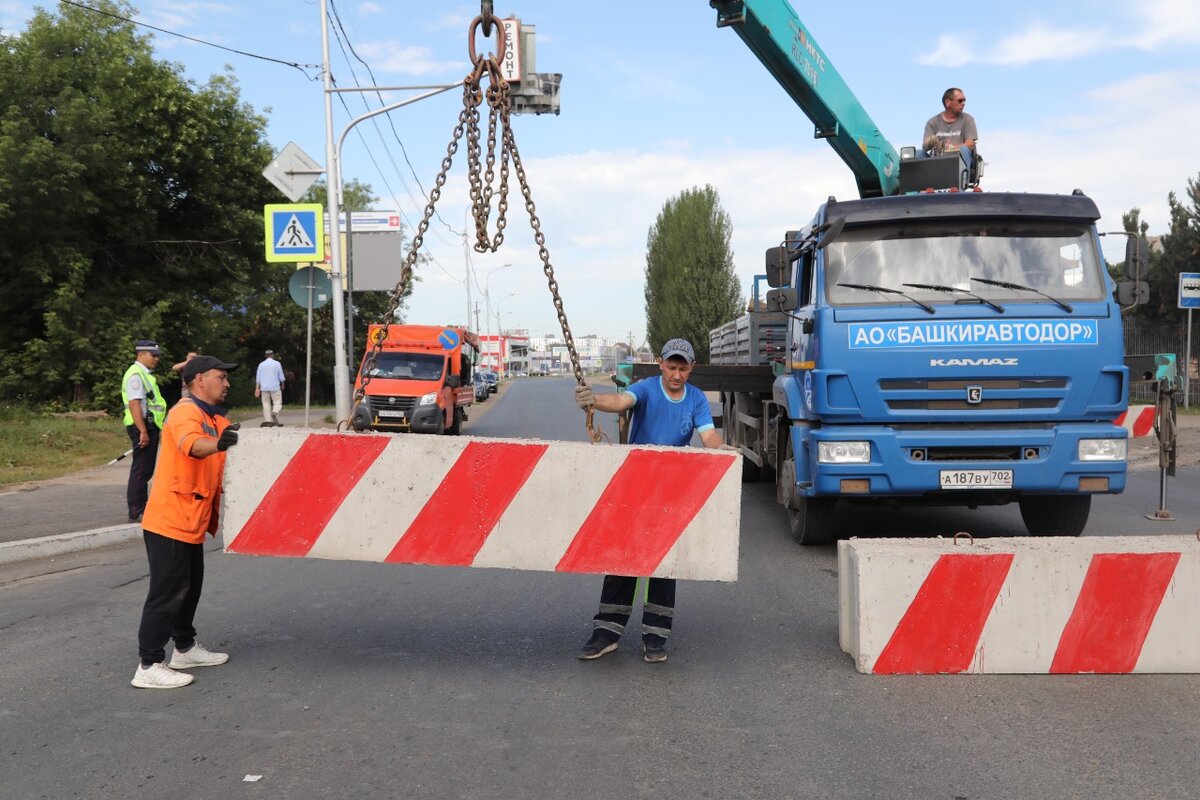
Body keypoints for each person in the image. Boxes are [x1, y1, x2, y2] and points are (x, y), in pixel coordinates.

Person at [571, 338, 724, 664]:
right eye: (672, 367)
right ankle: (606, 633)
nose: (677, 374)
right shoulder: (646, 389)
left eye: (683, 368)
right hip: (636, 487)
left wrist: (723, 453)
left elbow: (709, 436)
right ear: (661, 364)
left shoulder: (696, 399)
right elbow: (620, 400)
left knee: (664, 563)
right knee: (623, 557)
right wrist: (595, 401)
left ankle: (656, 636)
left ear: (691, 368)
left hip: (671, 491)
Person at [131, 354, 240, 689]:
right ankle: (148, 664)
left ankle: (185, 647)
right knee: (166, 592)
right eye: (220, 376)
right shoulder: (184, 413)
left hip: (192, 519)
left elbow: (228, 449)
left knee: (189, 589)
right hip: (170, 519)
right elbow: (193, 445)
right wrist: (218, 444)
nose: (227, 382)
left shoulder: (216, 419)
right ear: (199, 380)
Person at [121, 340, 167, 522]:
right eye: (152, 355)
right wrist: (143, 431)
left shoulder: (144, 374)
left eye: (157, 356)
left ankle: (142, 507)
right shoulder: (135, 374)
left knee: (146, 470)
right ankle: (136, 510)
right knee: (141, 470)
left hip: (148, 426)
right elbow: (134, 404)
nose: (156, 359)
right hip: (142, 427)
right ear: (140, 354)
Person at [923, 87, 977, 168]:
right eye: (960, 101)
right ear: (948, 102)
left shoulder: (967, 119)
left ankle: (963, 178)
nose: (963, 103)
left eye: (964, 100)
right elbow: (925, 147)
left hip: (959, 160)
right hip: (938, 161)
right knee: (919, 153)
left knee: (964, 150)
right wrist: (931, 142)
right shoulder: (932, 122)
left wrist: (950, 148)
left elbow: (970, 145)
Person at [254, 349, 286, 426]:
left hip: (264, 388)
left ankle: (268, 421)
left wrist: (257, 388)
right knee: (277, 402)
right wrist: (283, 385)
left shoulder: (261, 365)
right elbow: (281, 376)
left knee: (266, 404)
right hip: (275, 387)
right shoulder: (277, 364)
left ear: (265, 356)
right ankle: (274, 413)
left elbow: (258, 379)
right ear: (272, 355)